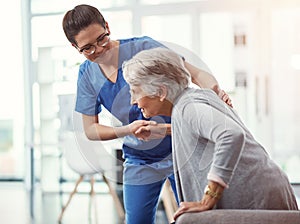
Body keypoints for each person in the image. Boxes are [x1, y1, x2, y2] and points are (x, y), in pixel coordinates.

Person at [62, 4, 232, 224]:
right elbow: (90, 129)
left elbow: (195, 73)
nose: (99, 49)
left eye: (101, 39)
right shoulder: (87, 76)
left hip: (181, 148)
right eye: (88, 48)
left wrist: (216, 92)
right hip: (140, 157)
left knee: (194, 218)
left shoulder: (143, 47)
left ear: (107, 26)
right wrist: (128, 130)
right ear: (75, 47)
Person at [122, 47, 299, 221]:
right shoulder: (189, 102)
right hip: (262, 191)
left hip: (259, 198)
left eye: (135, 92)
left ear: (161, 92)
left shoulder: (190, 107)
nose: (133, 101)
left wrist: (210, 196)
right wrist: (165, 130)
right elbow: (201, 133)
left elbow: (231, 134)